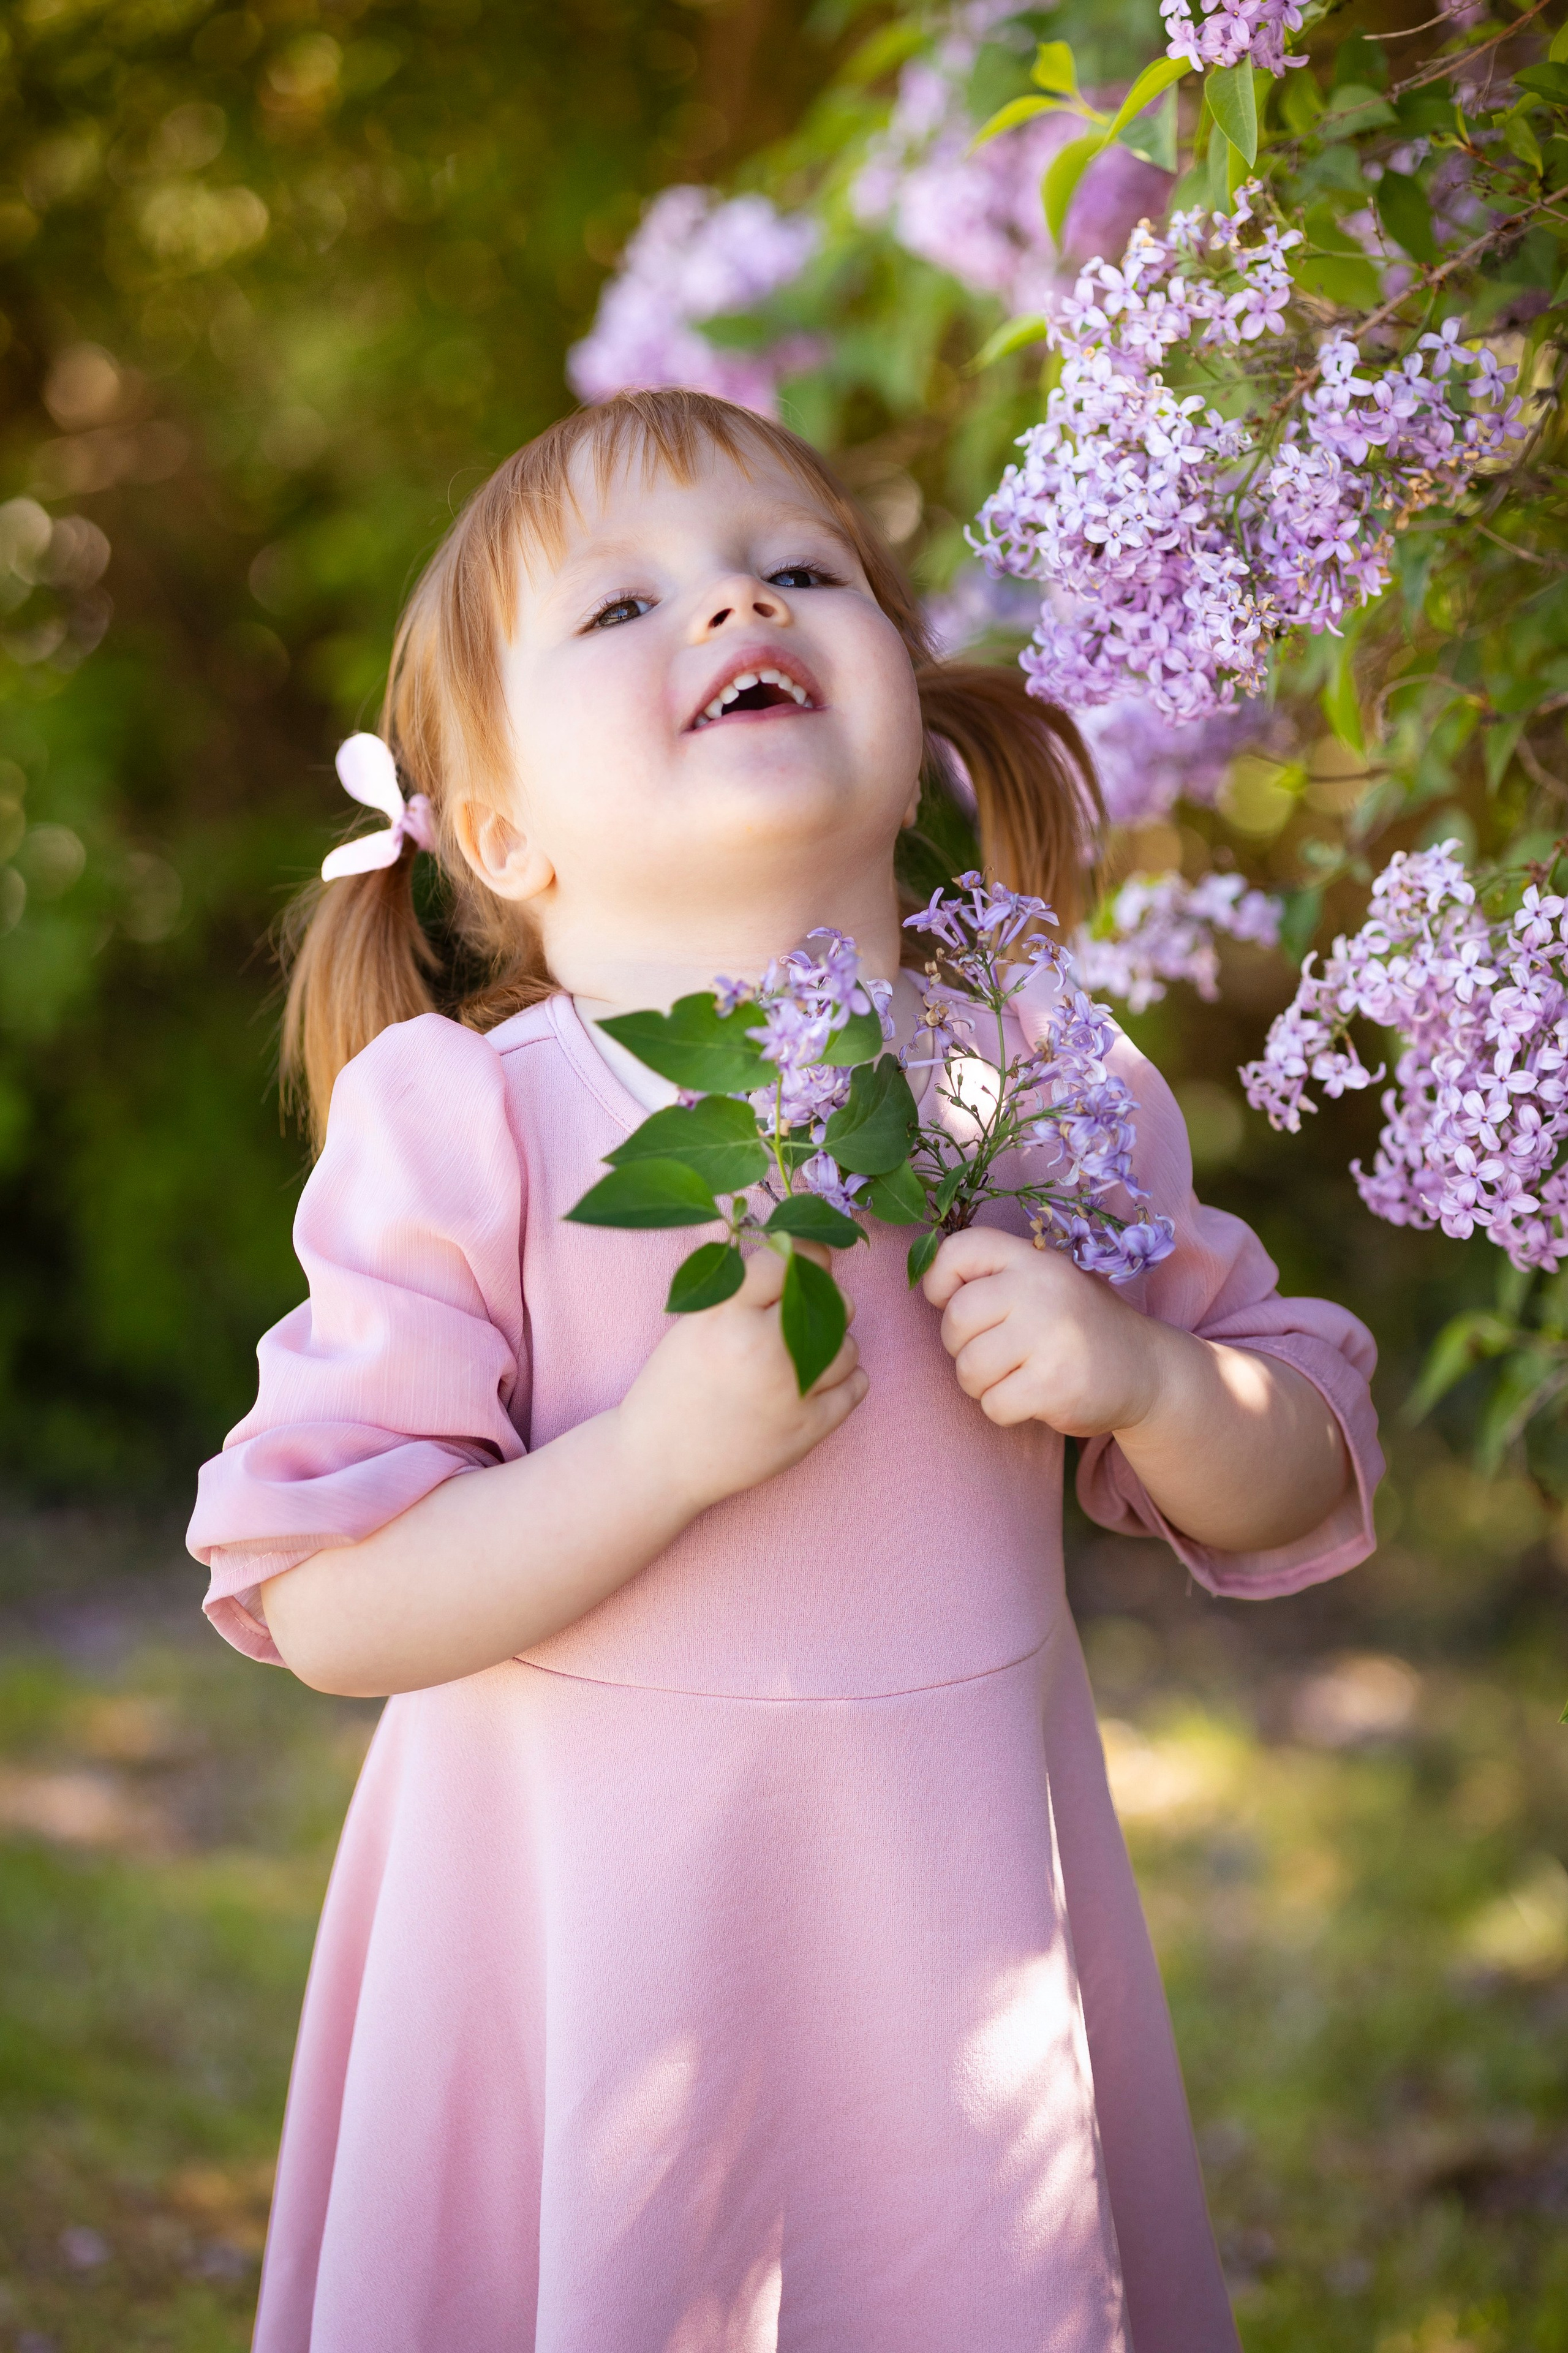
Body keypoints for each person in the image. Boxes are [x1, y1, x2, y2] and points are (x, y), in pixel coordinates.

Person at [189, 387, 1381, 2353]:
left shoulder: (1028, 1078)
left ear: (906, 722)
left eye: (801, 570)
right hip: (589, 1962)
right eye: (624, 603)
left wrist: (1150, 1384)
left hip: (949, 1940)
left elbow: (1308, 1461)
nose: (737, 605)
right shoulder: (479, 1126)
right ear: (500, 833)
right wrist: (649, 1458)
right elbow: (322, 1599)